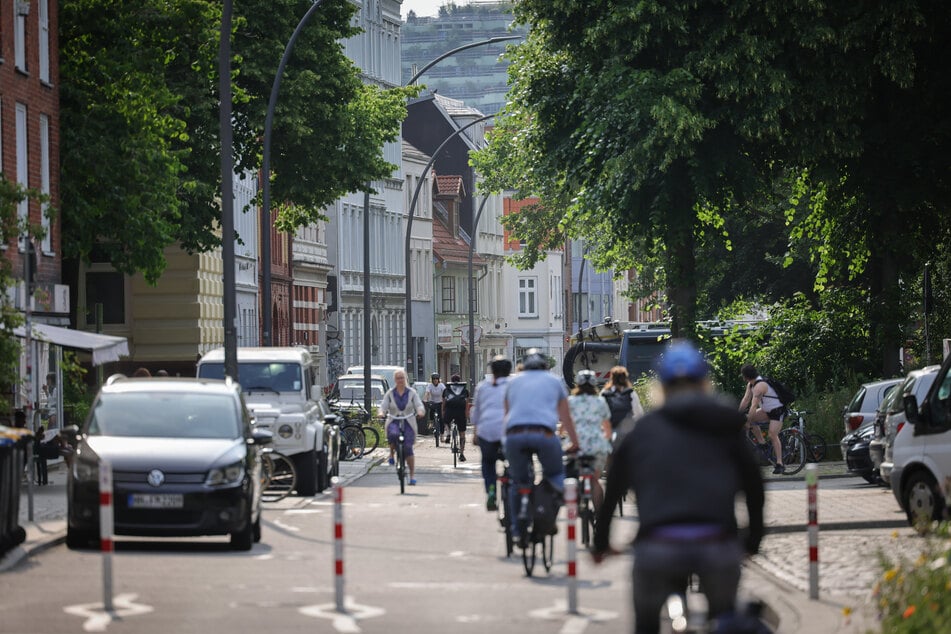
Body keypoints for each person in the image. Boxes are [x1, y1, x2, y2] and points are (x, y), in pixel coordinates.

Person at [592, 342, 765, 634]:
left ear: (662, 386)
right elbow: (754, 486)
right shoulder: (725, 423)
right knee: (725, 617)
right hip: (717, 543)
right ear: (704, 383)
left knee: (646, 622)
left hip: (657, 546)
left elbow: (613, 490)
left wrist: (601, 544)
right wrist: (752, 542)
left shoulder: (642, 430)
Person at [503, 348, 580, 542]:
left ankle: (517, 529)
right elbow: (566, 417)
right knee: (555, 474)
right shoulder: (553, 381)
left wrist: (505, 443)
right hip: (543, 434)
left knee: (517, 481)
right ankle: (548, 516)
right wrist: (575, 443)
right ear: (546, 365)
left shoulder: (512, 382)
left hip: (515, 435)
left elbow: (506, 415)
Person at [470, 355, 512, 510]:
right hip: (509, 431)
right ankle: (515, 489)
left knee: (488, 462)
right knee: (515, 460)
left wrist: (475, 434)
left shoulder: (482, 387)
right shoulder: (514, 385)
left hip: (486, 431)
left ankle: (491, 490)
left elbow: (476, 412)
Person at [568, 370, 613, 510]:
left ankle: (574, 498)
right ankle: (599, 516)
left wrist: (562, 434)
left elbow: (565, 425)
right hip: (597, 445)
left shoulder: (571, 401)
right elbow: (607, 427)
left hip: (577, 444)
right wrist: (607, 440)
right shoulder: (600, 401)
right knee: (595, 480)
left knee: (572, 472)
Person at [380, 368, 425, 485]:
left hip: (408, 421)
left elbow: (418, 404)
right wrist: (381, 412)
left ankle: (412, 476)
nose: (400, 380)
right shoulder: (390, 393)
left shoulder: (412, 393)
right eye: (398, 378)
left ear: (405, 379)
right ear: (395, 380)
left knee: (408, 448)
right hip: (394, 420)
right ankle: (392, 453)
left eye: (402, 378)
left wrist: (420, 411)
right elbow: (383, 405)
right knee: (393, 434)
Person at [739, 364, 786, 474]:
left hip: (777, 410)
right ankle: (762, 442)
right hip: (766, 410)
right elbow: (745, 400)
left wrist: (748, 422)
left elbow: (753, 406)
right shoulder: (750, 385)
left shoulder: (760, 386)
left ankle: (780, 464)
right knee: (747, 418)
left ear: (745, 376)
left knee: (772, 434)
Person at [600, 365, 644, 443]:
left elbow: (600, 414)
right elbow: (639, 413)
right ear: (625, 377)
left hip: (610, 431)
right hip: (627, 430)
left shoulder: (605, 393)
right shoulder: (631, 393)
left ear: (612, 378)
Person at [442, 374, 470, 461]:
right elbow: (467, 404)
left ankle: (448, 433)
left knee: (446, 422)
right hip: (460, 411)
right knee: (462, 433)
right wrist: (466, 415)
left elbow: (444, 402)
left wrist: (443, 412)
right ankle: (462, 453)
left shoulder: (447, 389)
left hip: (450, 410)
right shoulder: (465, 390)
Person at [423, 372, 446, 437]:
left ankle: (442, 435)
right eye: (434, 379)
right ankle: (431, 422)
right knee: (431, 410)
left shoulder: (441, 385)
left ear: (438, 379)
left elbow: (445, 392)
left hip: (440, 402)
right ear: (432, 380)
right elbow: (427, 393)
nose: (435, 380)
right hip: (432, 402)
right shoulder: (430, 385)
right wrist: (425, 400)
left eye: (436, 378)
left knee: (441, 419)